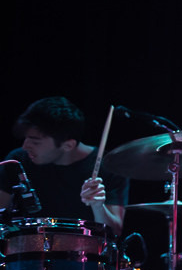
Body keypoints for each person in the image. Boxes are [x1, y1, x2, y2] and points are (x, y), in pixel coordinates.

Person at [0, 97, 128, 236]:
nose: (25, 147)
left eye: (35, 142)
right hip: (26, 252)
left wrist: (98, 207)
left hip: (83, 254)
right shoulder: (17, 161)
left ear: (68, 145)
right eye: (26, 139)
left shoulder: (110, 166)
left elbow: (114, 233)